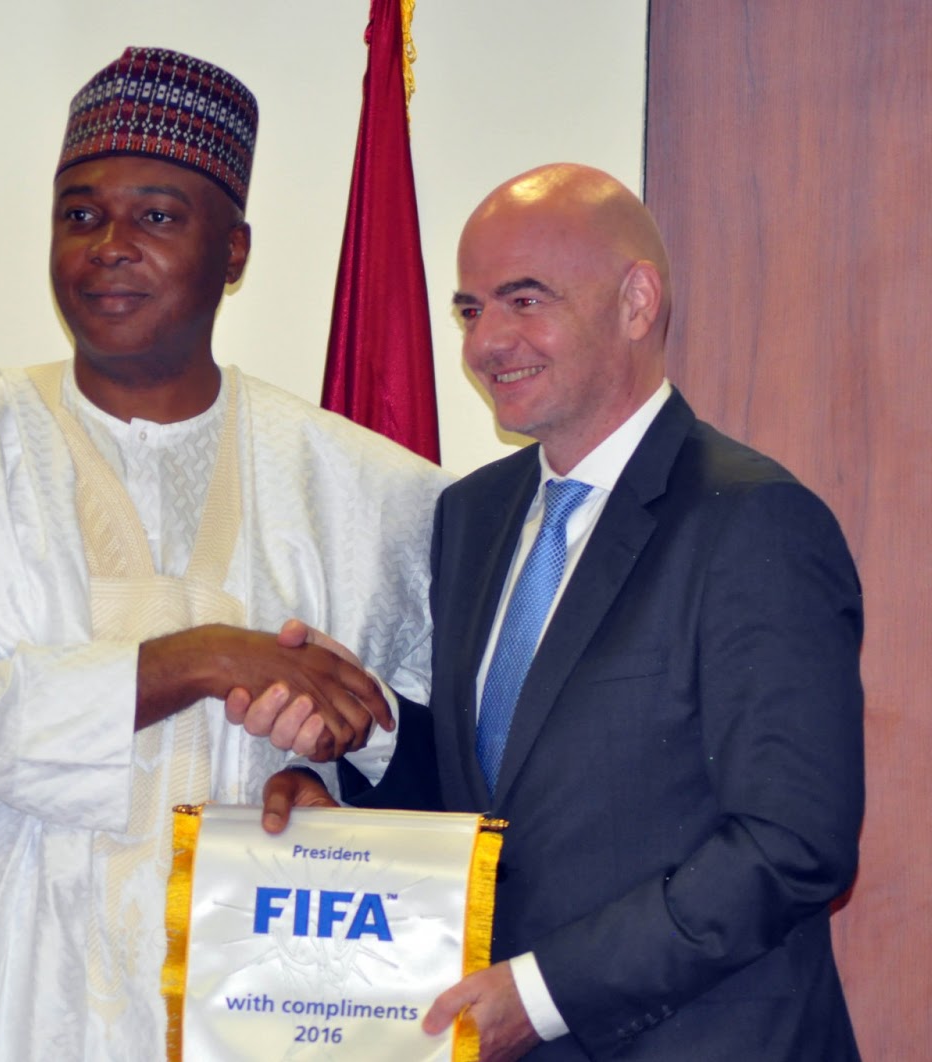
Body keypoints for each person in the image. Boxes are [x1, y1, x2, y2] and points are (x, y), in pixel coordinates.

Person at [0, 47, 451, 1061]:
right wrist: (194, 659)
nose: (110, 246)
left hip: (257, 1025)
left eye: (156, 215)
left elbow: (461, 768)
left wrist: (345, 771)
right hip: (1, 1017)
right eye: (80, 214)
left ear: (234, 251)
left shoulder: (368, 492)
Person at [262, 163, 865, 1060]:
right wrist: (368, 730)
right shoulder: (471, 516)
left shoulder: (753, 521)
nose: (485, 343)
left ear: (636, 301)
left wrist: (542, 996)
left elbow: (793, 845)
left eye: (524, 300)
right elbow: (499, 798)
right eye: (470, 310)